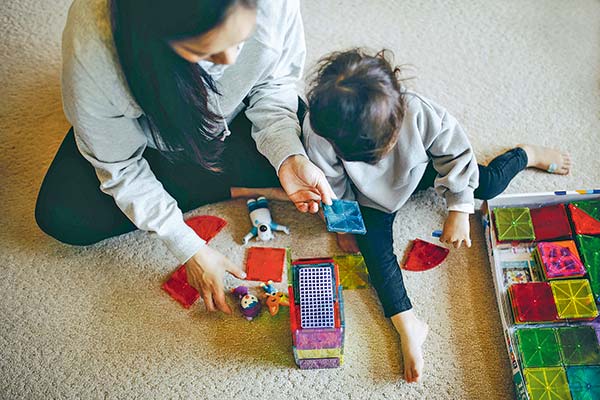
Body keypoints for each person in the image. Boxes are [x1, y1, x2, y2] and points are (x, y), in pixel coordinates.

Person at [34, 0, 334, 315]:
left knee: (324, 146)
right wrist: (188, 248)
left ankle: (222, 184)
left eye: (240, 40)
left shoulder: (275, 5)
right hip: (152, 142)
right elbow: (120, 166)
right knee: (63, 216)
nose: (231, 60)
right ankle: (232, 185)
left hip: (232, 123)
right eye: (206, 54)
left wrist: (287, 155)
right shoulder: (95, 51)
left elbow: (274, 84)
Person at [302, 49, 572, 383]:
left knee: (487, 184)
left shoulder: (419, 111)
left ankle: (524, 154)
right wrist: (343, 225)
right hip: (370, 198)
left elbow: (457, 155)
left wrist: (460, 206)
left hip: (422, 169)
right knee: (375, 254)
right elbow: (333, 186)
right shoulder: (320, 133)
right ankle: (408, 324)